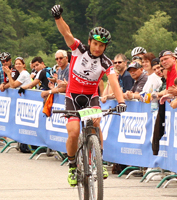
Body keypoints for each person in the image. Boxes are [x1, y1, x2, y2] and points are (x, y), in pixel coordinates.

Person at [51, 4, 126, 187]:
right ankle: (71, 166)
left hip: (91, 98)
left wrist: (121, 100)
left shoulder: (106, 62)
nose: (98, 48)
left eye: (102, 45)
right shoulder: (79, 50)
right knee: (74, 132)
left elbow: (113, 82)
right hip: (73, 97)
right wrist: (58, 18)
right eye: (95, 44)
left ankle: (99, 159)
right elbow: (67, 33)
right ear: (90, 42)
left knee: (95, 122)